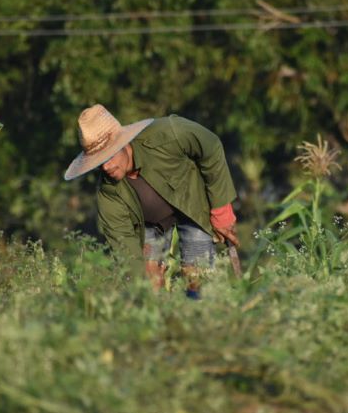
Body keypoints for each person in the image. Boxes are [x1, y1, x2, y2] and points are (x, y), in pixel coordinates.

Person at [64, 104, 239, 298]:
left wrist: (221, 210)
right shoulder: (108, 194)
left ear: (123, 144)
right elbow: (126, 250)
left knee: (197, 278)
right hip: (149, 224)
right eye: (98, 162)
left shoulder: (168, 133)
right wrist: (142, 287)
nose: (106, 167)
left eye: (109, 156)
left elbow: (210, 145)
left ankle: (199, 316)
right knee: (147, 282)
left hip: (193, 206)